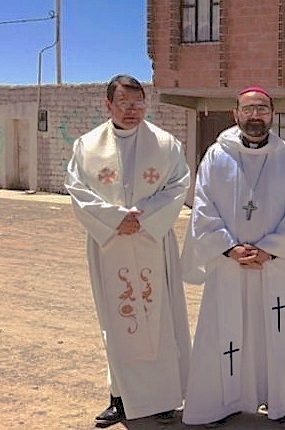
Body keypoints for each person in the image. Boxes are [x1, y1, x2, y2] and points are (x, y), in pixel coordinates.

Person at [65, 74, 191, 427]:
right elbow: (76, 188)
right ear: (108, 105)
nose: (132, 110)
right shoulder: (87, 146)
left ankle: (164, 399)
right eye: (123, 103)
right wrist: (115, 219)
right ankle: (119, 399)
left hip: (153, 240)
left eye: (138, 103)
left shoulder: (165, 144)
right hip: (110, 245)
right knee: (116, 321)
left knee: (160, 320)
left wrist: (144, 217)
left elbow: (179, 184)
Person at [180, 86, 285, 428]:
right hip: (228, 266)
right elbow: (203, 205)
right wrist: (228, 248)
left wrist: (271, 249)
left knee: (274, 333)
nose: (255, 115)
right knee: (223, 334)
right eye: (248, 109)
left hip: (273, 268)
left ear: (272, 114)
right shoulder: (216, 155)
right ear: (235, 113)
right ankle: (219, 403)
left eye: (262, 109)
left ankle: (277, 402)